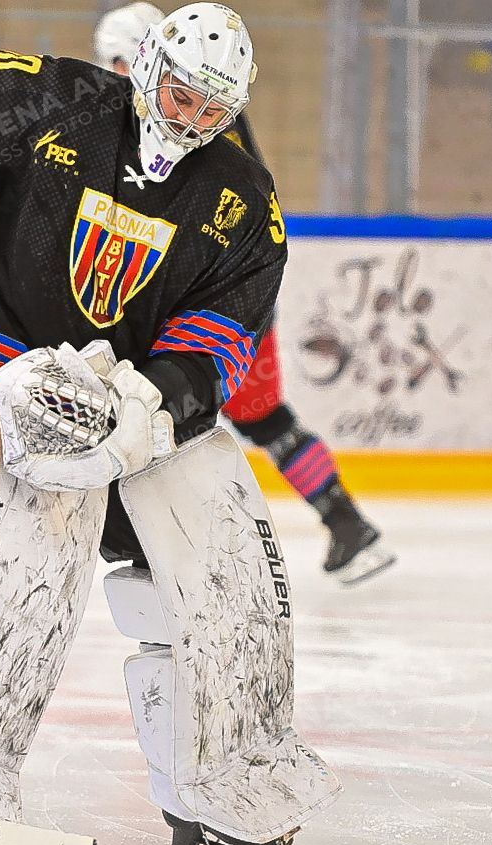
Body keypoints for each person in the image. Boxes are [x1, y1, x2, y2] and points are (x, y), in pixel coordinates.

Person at [0, 3, 342, 845]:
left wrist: (149, 406)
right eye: (181, 95)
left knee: (189, 590)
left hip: (133, 418)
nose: (190, 120)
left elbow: (221, 335)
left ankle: (217, 789)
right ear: (149, 69)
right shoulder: (54, 104)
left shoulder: (240, 195)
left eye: (211, 108)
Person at [94, 1, 394, 584]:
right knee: (257, 417)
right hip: (236, 294)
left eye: (116, 62)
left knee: (200, 418)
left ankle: (311, 531)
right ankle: (345, 522)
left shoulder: (184, 115)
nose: (112, 75)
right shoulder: (206, 101)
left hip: (222, 301)